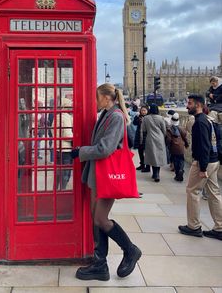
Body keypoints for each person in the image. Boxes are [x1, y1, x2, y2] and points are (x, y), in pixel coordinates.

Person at [70, 83, 142, 281]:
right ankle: (100, 264)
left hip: (108, 176)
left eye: (97, 97)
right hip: (98, 174)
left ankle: (131, 250)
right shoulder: (106, 114)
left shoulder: (116, 117)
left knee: (101, 219)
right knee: (96, 218)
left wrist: (80, 152)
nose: (95, 101)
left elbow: (105, 148)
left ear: (106, 98)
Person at [178, 94, 222, 240]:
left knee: (192, 191)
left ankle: (194, 226)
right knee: (214, 194)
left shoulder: (199, 122)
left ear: (198, 105)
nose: (186, 106)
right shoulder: (207, 120)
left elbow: (204, 146)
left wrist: (202, 168)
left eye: (189, 103)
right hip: (214, 161)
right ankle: (219, 227)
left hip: (205, 163)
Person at [140, 103, 167, 182]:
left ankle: (155, 173)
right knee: (158, 156)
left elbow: (144, 129)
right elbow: (164, 130)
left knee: (152, 156)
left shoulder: (146, 118)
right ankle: (157, 173)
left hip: (150, 138)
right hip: (160, 139)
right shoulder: (161, 118)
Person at [166, 112, 189, 182]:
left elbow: (168, 139)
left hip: (173, 147)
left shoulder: (169, 129)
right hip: (181, 147)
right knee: (181, 160)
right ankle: (181, 169)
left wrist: (167, 145)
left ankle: (177, 175)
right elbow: (185, 137)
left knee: (175, 161)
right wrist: (187, 144)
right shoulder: (181, 128)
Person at [133, 104, 150, 172]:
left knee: (147, 153)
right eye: (142, 110)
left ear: (147, 111)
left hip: (146, 136)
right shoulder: (138, 116)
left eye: (144, 110)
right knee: (140, 151)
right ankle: (142, 164)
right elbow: (134, 123)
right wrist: (137, 118)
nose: (143, 112)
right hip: (139, 136)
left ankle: (147, 166)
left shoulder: (149, 117)